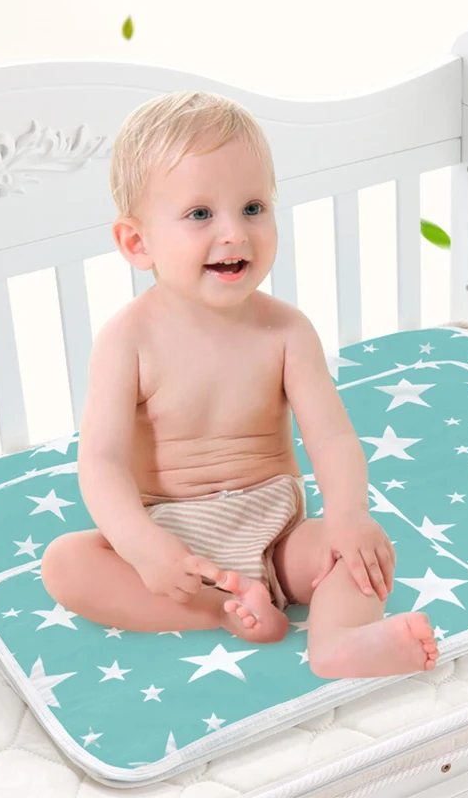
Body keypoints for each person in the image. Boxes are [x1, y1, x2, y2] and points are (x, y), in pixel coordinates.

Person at [40, 91, 439, 678]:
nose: (234, 233)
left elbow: (331, 438)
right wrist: (143, 547)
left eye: (253, 207)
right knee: (66, 563)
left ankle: (337, 642)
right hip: (173, 539)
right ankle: (223, 612)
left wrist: (349, 513)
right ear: (137, 242)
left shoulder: (286, 331)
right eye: (200, 214)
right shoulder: (127, 340)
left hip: (277, 538)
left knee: (362, 551)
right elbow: (101, 461)